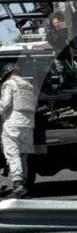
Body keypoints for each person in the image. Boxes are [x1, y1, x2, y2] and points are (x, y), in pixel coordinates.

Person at [0, 64, 36, 198]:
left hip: (13, 123)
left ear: (6, 74)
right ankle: (24, 185)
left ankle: (18, 185)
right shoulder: (29, 85)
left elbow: (4, 104)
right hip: (28, 124)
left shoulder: (9, 84)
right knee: (23, 155)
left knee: (13, 154)